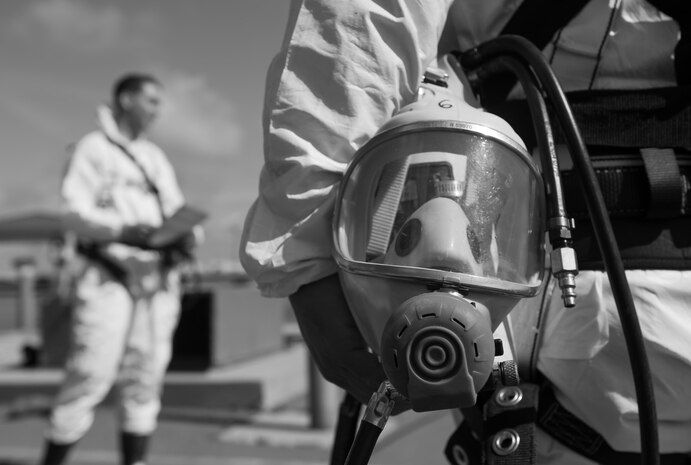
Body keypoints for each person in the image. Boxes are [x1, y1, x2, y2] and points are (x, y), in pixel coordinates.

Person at [240, 1, 691, 464]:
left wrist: (311, 257)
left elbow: (364, 23)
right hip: (533, 283)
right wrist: (313, 259)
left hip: (542, 299)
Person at [40, 73, 200, 465]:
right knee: (89, 375)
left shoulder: (155, 158)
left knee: (145, 379)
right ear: (126, 100)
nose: (157, 111)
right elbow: (72, 211)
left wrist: (187, 237)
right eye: (151, 101)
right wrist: (122, 230)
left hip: (157, 281)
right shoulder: (92, 149)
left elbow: (177, 210)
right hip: (108, 277)